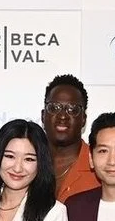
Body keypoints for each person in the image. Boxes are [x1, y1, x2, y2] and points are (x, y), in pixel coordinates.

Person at [42, 74, 99, 203]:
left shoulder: (101, 165)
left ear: (83, 119)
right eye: (54, 107)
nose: (62, 116)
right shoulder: (26, 164)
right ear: (43, 115)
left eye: (72, 109)